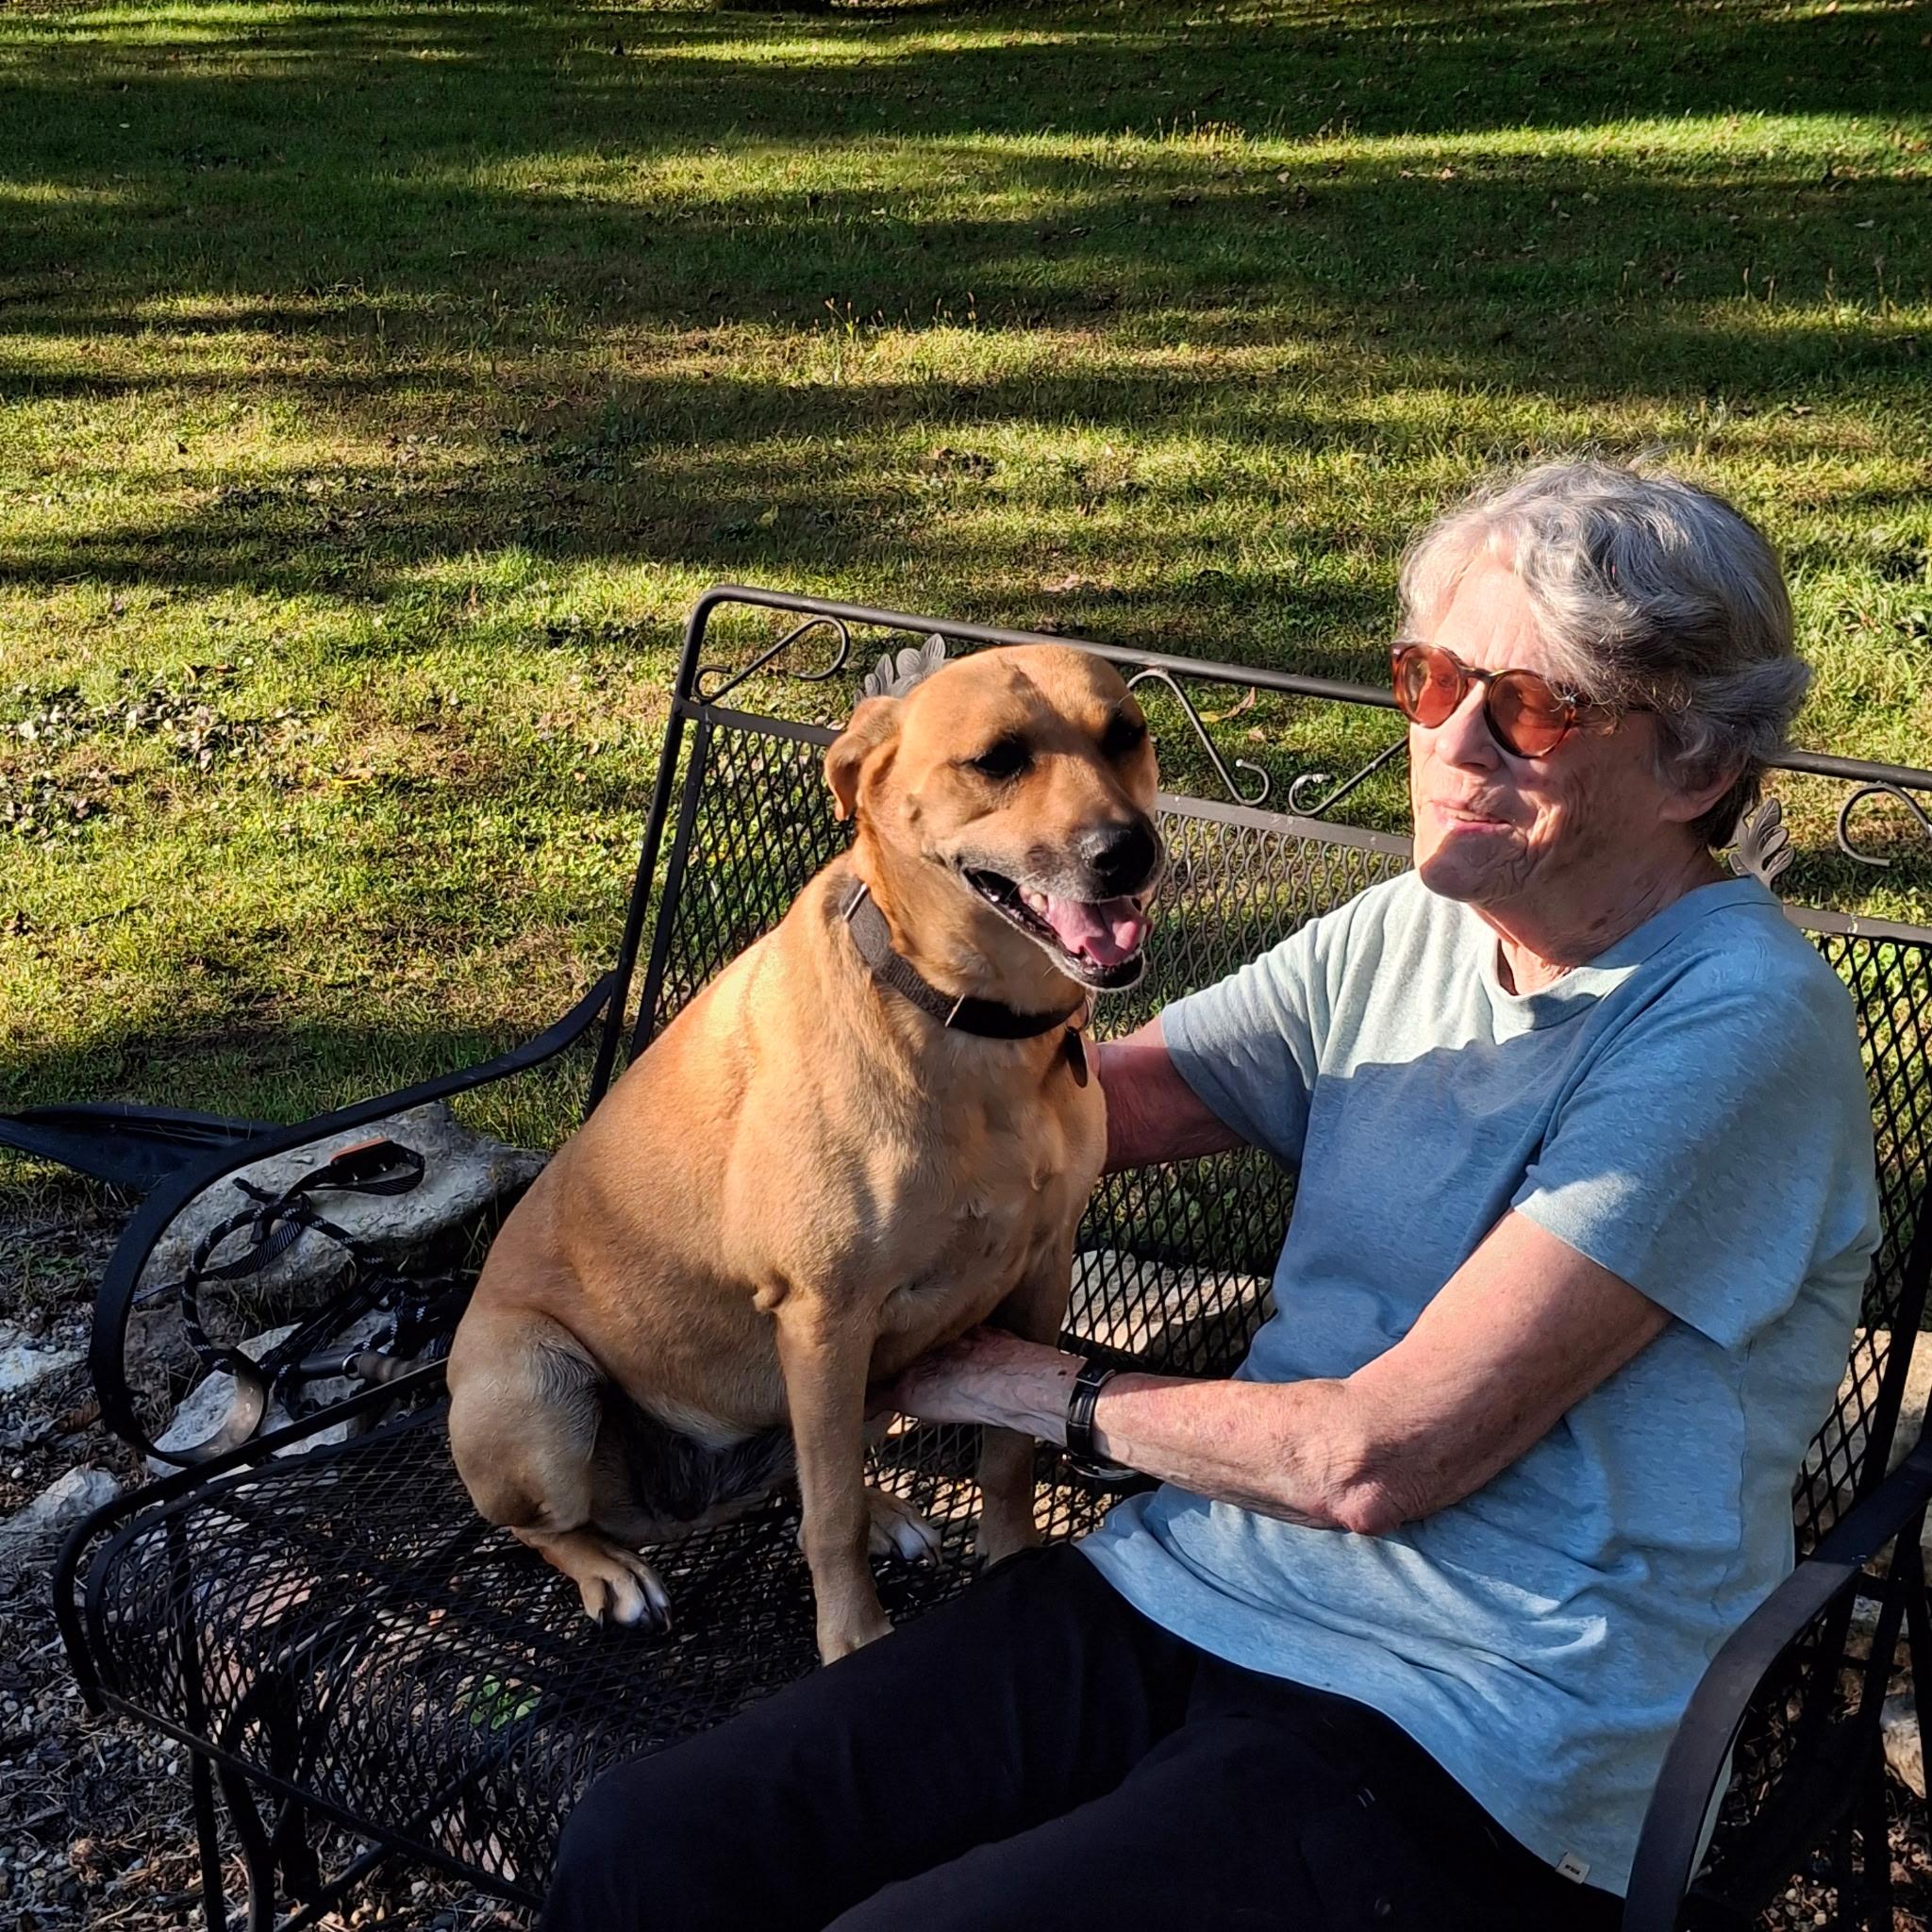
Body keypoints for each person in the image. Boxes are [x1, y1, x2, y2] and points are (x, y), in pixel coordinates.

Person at [542, 459, 1881, 1931]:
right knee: (650, 1845)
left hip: (1487, 1718)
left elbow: (1378, 1460)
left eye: (1537, 706)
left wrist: (1039, 1393)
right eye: (1429, 678)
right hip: (1201, 1580)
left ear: (1695, 766)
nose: (1452, 739)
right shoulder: (1421, 928)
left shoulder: (1737, 1029)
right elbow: (1095, 1099)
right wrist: (854, 1082)